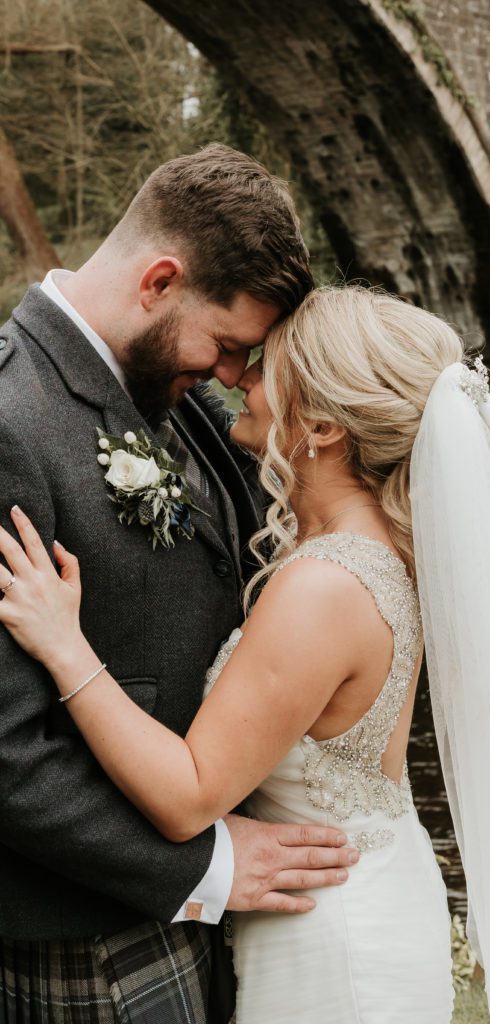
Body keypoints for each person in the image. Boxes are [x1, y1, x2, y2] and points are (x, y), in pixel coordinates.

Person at [0, 286, 490, 1023]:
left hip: (335, 940)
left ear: (319, 425)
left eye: (267, 367)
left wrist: (65, 648)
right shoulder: (375, 550)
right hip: (354, 895)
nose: (241, 379)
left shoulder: (325, 585)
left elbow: (188, 796)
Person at [0, 148, 361, 1024]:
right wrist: (202, 868)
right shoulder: (11, 419)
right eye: (230, 346)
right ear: (160, 280)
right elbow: (5, 749)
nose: (236, 376)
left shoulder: (184, 400)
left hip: (214, 915)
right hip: (89, 936)